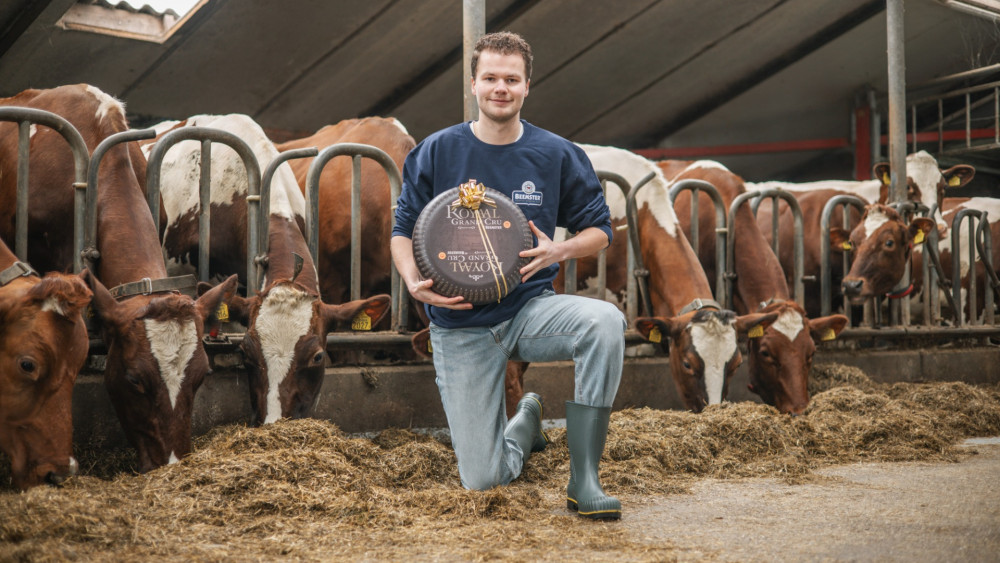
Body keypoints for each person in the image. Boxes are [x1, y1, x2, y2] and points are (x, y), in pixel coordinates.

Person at [391, 31, 625, 520]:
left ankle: (585, 479)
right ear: (473, 84)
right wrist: (414, 281)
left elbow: (600, 230)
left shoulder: (556, 153)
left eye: (511, 79)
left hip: (531, 309)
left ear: (527, 86)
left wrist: (561, 247)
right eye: (491, 78)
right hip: (461, 325)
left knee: (605, 322)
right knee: (482, 481)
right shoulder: (436, 151)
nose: (502, 87)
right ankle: (525, 425)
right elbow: (401, 230)